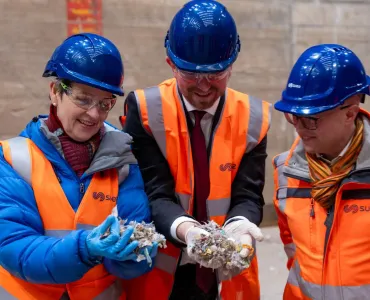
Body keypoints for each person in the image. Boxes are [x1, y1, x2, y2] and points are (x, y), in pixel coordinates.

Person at [120, 1, 271, 299]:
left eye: (215, 74)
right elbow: (155, 191)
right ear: (171, 64)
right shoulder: (147, 109)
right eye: (191, 74)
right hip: (165, 268)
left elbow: (248, 193)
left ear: (232, 65)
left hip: (227, 271)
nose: (203, 86)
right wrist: (188, 232)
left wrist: (240, 226)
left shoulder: (254, 117)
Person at [0, 33, 156, 300]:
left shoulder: (122, 160)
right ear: (54, 92)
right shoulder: (15, 159)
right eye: (83, 99)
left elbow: (140, 235)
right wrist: (84, 249)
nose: (94, 114)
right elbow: (14, 247)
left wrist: (133, 254)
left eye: (105, 103)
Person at [273, 44, 370, 299]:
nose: (299, 128)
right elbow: (294, 253)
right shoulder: (286, 171)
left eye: (311, 118)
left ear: (350, 113)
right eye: (294, 116)